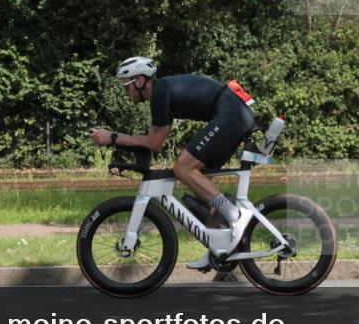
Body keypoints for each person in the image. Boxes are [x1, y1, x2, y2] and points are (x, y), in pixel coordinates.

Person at [89, 56, 257, 269]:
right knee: (200, 184)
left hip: (231, 114)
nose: (126, 92)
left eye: (127, 86)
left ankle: (236, 215)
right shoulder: (162, 92)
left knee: (182, 167)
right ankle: (219, 247)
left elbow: (154, 143)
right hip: (233, 113)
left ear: (140, 81)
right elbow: (153, 138)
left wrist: (112, 137)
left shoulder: (160, 92)